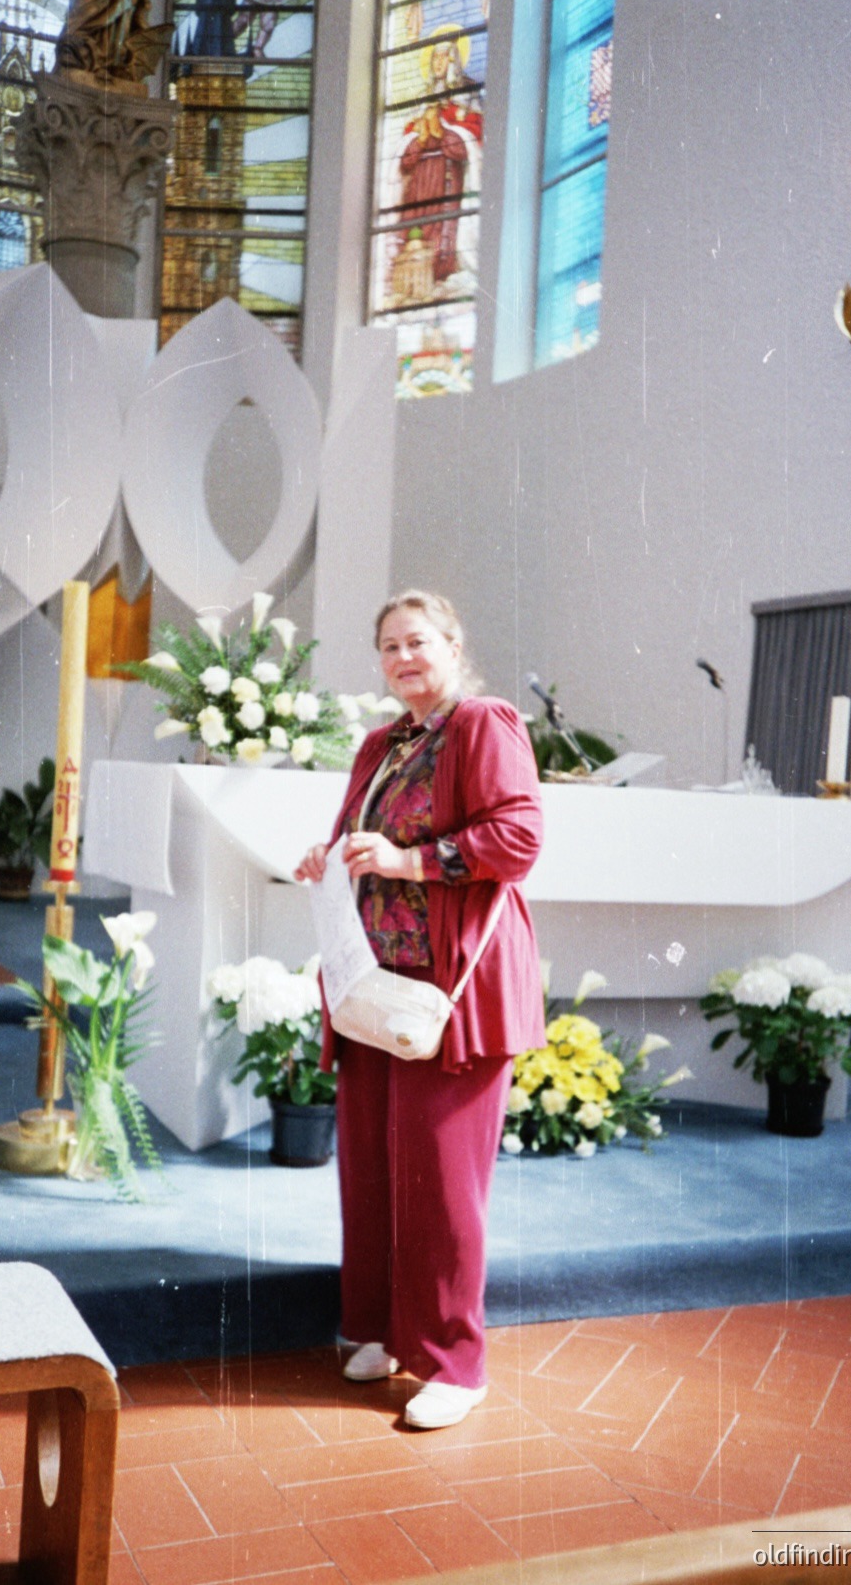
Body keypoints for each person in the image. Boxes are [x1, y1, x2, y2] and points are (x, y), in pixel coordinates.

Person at [294, 591, 544, 1430]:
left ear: (453, 644)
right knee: (369, 1170)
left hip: (452, 994)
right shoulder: (379, 743)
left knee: (441, 1182)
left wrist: (409, 860)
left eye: (419, 642)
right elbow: (349, 835)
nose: (404, 657)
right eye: (389, 646)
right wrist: (327, 856)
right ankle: (379, 1330)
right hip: (375, 990)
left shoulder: (482, 724)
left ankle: (453, 1363)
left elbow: (516, 837)